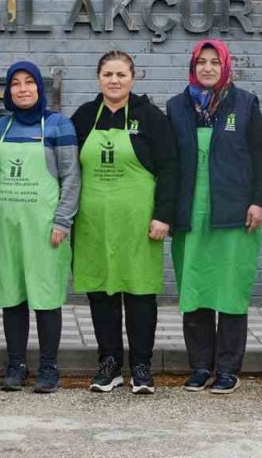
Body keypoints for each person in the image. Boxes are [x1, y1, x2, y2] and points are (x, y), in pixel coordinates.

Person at [166, 39, 262, 395]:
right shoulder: (176, 107)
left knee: (229, 292)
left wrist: (259, 202)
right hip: (190, 215)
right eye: (202, 62)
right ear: (193, 66)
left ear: (225, 66)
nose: (208, 68)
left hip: (234, 214)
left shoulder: (244, 103)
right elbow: (168, 163)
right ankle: (198, 366)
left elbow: (261, 156)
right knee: (194, 291)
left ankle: (227, 368)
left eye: (214, 62)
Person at [70, 51, 177, 395]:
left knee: (139, 292)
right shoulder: (84, 116)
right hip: (93, 222)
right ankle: (110, 363)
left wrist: (163, 215)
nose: (114, 81)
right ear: (98, 78)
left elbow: (171, 168)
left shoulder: (150, 117)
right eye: (108, 74)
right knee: (101, 291)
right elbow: (69, 170)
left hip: (139, 222)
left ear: (133, 78)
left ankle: (142, 365)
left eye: (121, 74)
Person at [0, 60, 80, 394]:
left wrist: (62, 220)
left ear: (40, 88)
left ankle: (48, 367)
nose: (23, 88)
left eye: (30, 82)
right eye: (16, 83)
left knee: (45, 297)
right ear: (9, 90)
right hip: (7, 227)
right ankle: (15, 365)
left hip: (46, 228)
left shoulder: (58, 125)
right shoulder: (0, 127)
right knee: (12, 296)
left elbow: (72, 178)